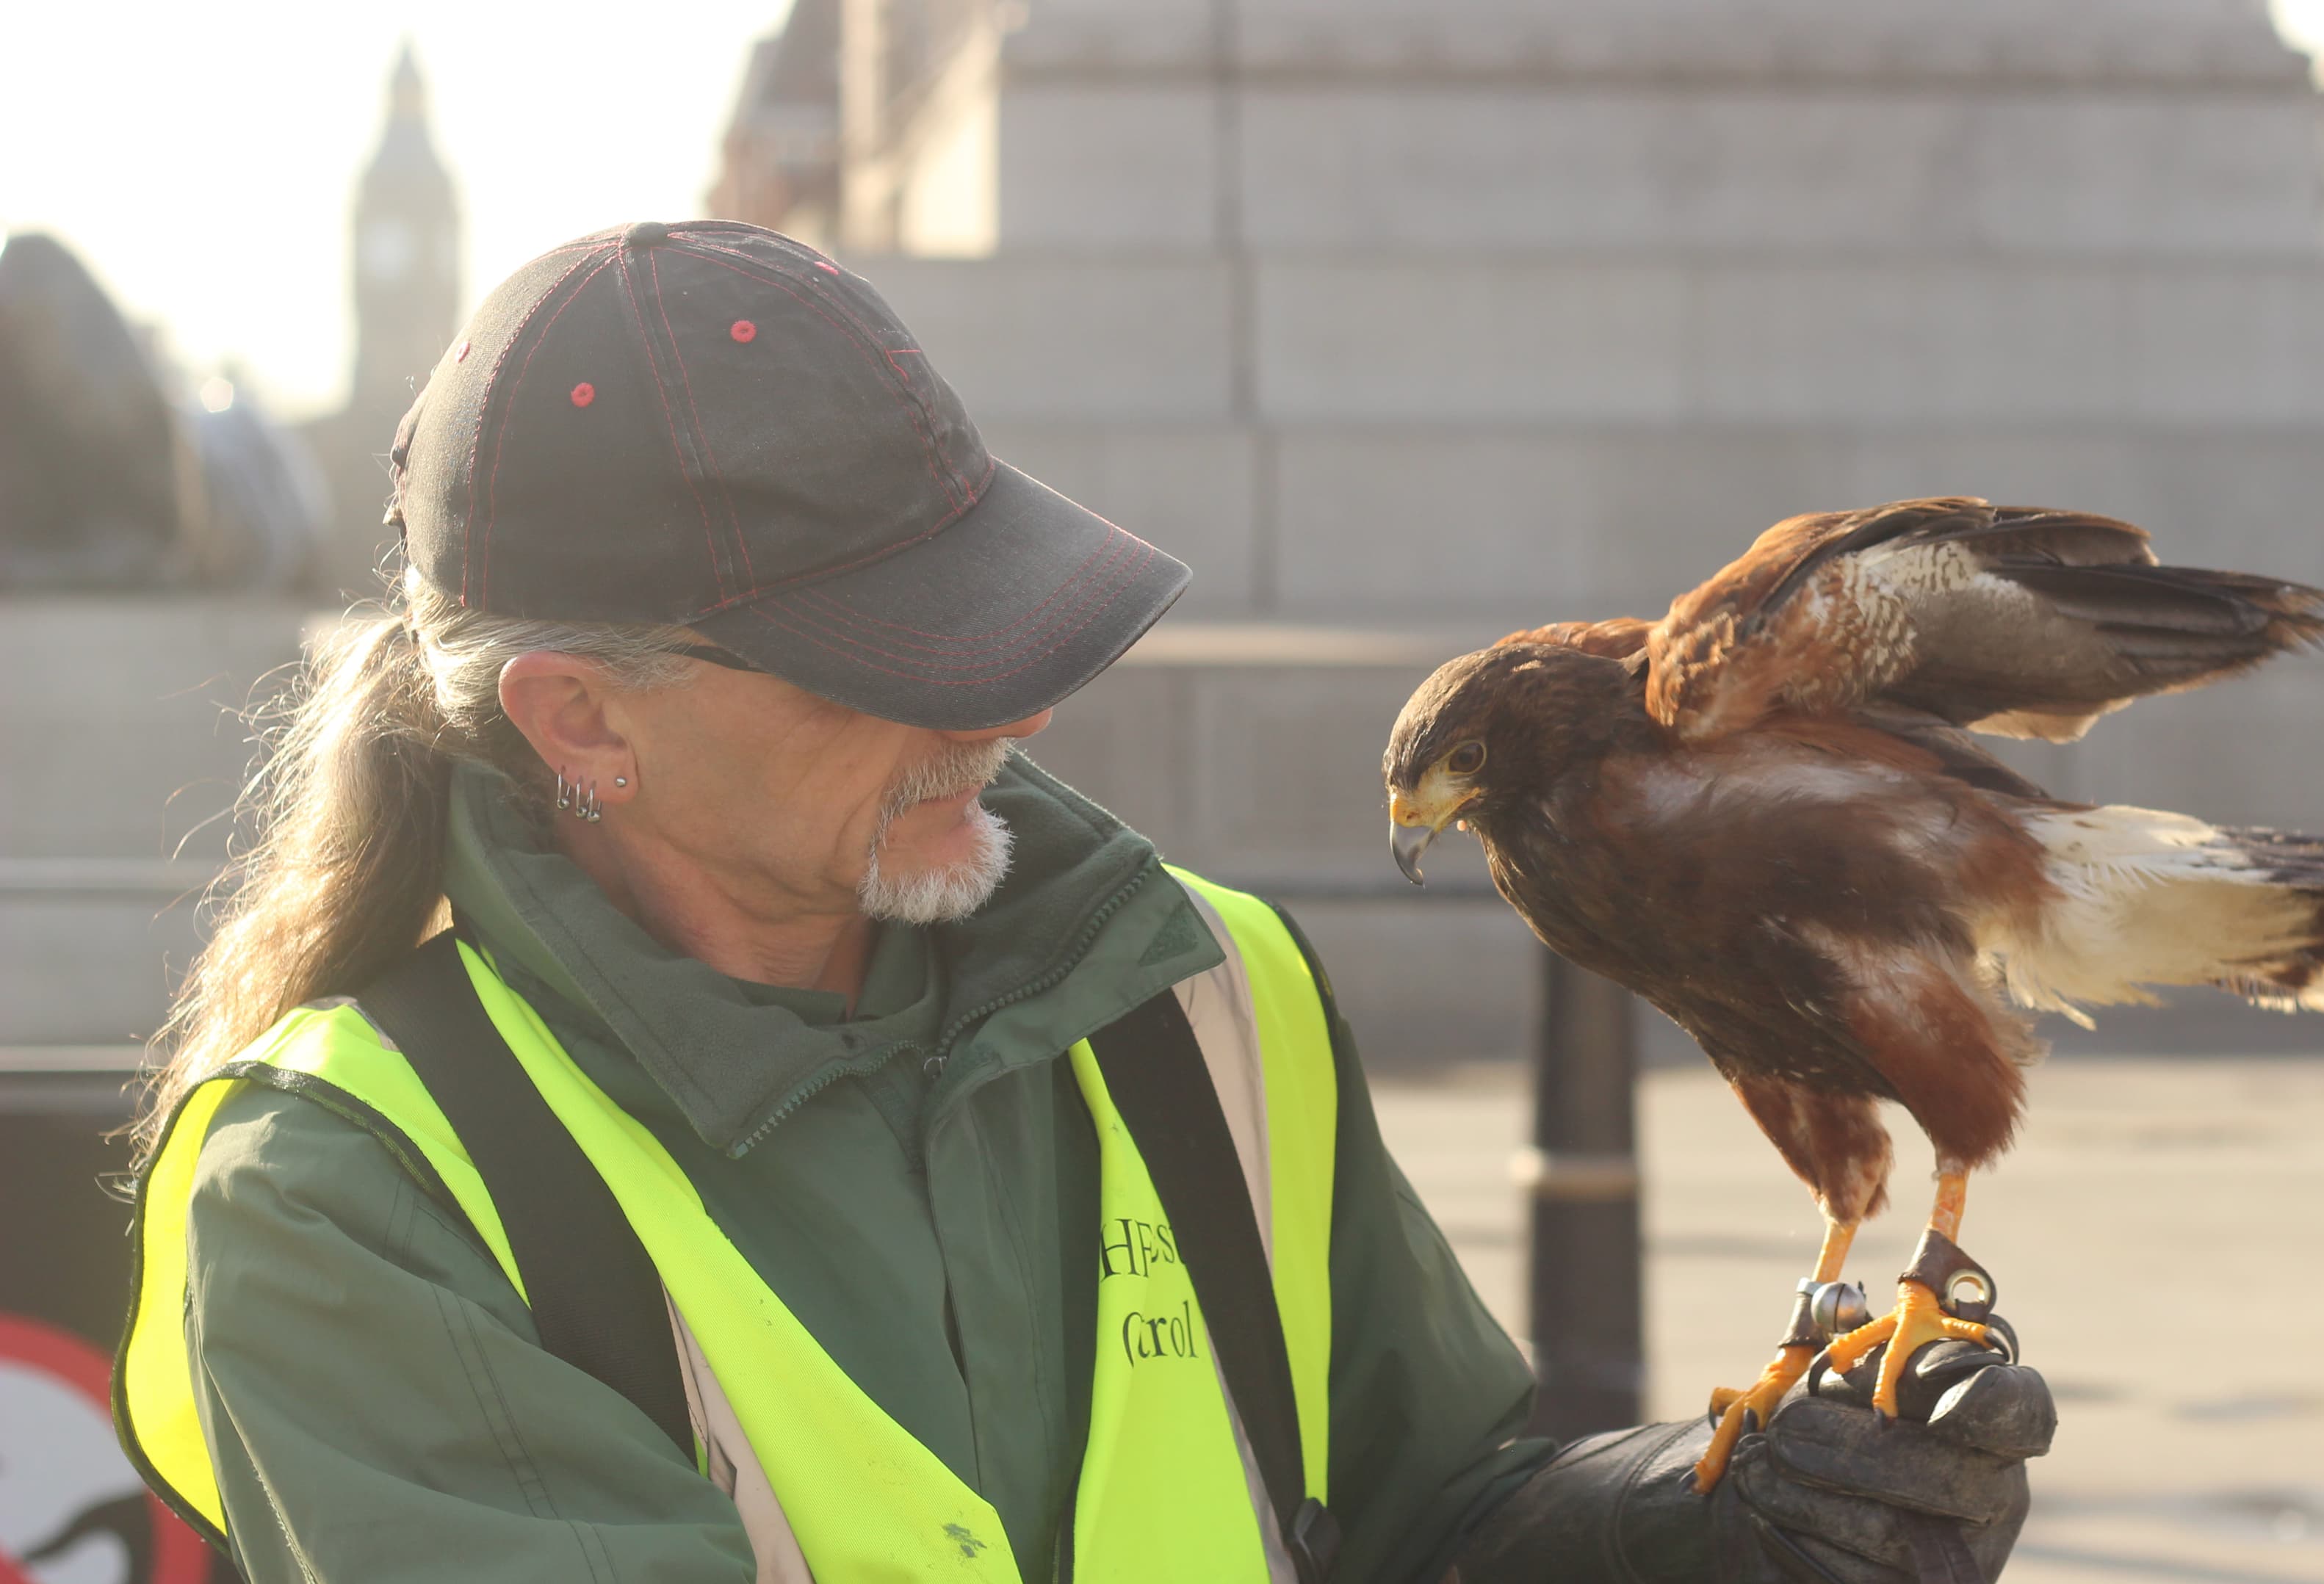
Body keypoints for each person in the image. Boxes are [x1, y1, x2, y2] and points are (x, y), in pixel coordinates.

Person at [113, 220, 2050, 1583]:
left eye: (991, 610)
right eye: (888, 653)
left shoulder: (1205, 991)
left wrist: (1711, 1525)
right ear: (580, 721)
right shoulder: (342, 1196)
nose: (1014, 702)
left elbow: (1421, 1511)